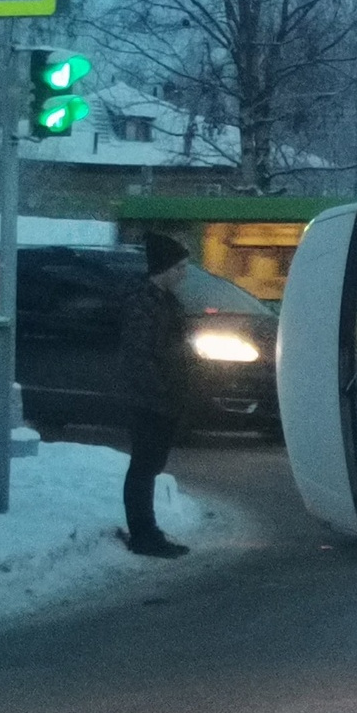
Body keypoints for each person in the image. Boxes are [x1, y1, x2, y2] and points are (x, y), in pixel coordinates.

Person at [116, 234, 195, 558]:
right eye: (179, 266)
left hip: (163, 397)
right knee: (144, 466)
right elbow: (139, 355)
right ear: (163, 268)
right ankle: (143, 534)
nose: (183, 273)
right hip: (149, 399)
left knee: (150, 465)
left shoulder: (165, 301)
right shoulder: (143, 302)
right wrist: (159, 394)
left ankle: (148, 531)